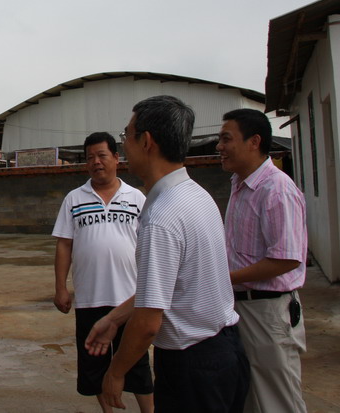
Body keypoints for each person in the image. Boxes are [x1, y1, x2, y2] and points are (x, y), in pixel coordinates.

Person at [86, 95, 250, 413]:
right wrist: (114, 318)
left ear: (146, 141)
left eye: (126, 134)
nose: (124, 144)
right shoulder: (197, 195)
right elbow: (169, 287)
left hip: (193, 366)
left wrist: (116, 372)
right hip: (225, 350)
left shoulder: (162, 217)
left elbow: (148, 322)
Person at [53, 132, 153, 413]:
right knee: (94, 366)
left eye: (102, 156)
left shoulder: (136, 198)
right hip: (90, 299)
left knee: (137, 364)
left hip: (129, 299)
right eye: (90, 158)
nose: (96, 162)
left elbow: (149, 244)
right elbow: (64, 245)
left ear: (116, 158)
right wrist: (60, 287)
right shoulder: (74, 199)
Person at [217, 109, 308, 413]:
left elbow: (286, 259)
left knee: (277, 401)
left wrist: (224, 277)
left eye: (226, 139)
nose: (219, 146)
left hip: (267, 312)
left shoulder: (276, 189)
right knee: (251, 398)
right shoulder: (239, 183)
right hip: (242, 307)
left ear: (254, 141)